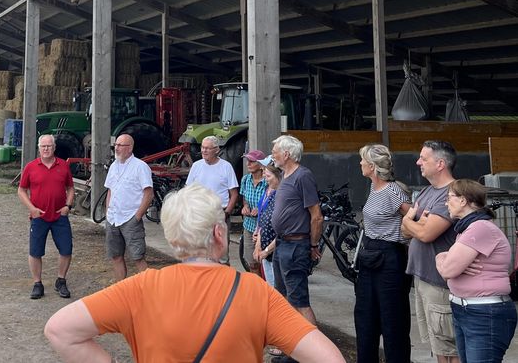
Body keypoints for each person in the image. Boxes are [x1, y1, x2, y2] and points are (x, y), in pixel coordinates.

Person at [43, 183, 345, 363]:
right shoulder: (255, 291)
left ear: (173, 238)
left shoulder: (140, 288)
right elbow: (330, 359)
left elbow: (59, 330)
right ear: (218, 233)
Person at [436, 179, 517, 363]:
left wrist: (444, 260)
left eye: (449, 198)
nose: (446, 202)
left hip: (484, 313)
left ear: (463, 200)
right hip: (467, 310)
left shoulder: (479, 228)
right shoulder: (466, 230)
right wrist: (441, 257)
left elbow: (448, 270)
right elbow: (448, 264)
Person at [354, 144, 412, 363]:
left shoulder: (393, 191)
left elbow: (413, 217)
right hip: (370, 255)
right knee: (365, 317)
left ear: (372, 166)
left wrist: (407, 236)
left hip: (390, 258)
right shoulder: (373, 187)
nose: (360, 163)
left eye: (363, 160)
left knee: (392, 319)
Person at [401, 140, 458, 363]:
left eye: (424, 158)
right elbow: (405, 232)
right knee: (437, 344)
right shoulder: (426, 191)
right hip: (422, 277)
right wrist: (413, 224)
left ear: (441, 163)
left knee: (449, 347)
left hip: (439, 283)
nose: (418, 162)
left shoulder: (451, 194)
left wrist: (409, 222)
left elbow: (426, 234)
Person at [269, 134, 323, 334]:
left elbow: (316, 215)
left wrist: (313, 245)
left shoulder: (303, 176)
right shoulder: (285, 176)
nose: (272, 155)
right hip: (283, 243)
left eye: (275, 152)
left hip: (295, 245)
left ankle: (315, 349)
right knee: (283, 297)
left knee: (299, 300)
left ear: (287, 154)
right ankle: (291, 344)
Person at [17, 134, 75, 299]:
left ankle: (61, 280)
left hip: (59, 216)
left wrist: (67, 206)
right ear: (39, 148)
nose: (46, 149)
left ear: (54, 147)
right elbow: (21, 190)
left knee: (66, 249)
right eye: (43, 146)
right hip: (39, 216)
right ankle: (37, 283)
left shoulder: (63, 166)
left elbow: (70, 188)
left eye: (49, 146)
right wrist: (32, 208)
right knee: (35, 251)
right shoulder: (31, 167)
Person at [105, 134, 153, 280]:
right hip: (113, 218)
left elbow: (148, 193)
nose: (117, 148)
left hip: (130, 218)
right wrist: (108, 211)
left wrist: (137, 216)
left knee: (138, 257)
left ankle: (149, 290)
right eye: (116, 145)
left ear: (130, 148)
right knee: (116, 256)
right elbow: (110, 190)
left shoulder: (140, 167)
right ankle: (121, 289)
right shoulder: (114, 166)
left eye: (120, 145)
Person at [185, 135, 240, 263]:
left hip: (220, 213)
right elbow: (188, 191)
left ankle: (225, 281)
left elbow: (234, 194)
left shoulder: (226, 167)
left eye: (208, 148)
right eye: (202, 147)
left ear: (216, 150)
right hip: (200, 214)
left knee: (221, 254)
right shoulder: (196, 166)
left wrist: (226, 213)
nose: (204, 151)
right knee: (201, 252)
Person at [240, 149, 268, 274]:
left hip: (264, 228)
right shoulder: (245, 180)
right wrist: (245, 206)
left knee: (266, 262)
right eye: (248, 161)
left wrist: (261, 209)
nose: (248, 164)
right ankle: (256, 290)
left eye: (252, 161)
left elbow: (274, 201)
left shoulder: (268, 181)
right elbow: (244, 199)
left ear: (261, 164)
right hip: (249, 226)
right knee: (252, 263)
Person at [254, 162, 282, 287]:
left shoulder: (281, 196)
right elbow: (264, 219)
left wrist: (266, 250)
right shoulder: (270, 193)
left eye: (269, 176)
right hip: (266, 246)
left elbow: (283, 232)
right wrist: (259, 245)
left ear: (278, 177)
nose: (266, 179)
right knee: (271, 286)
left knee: (278, 289)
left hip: (276, 249)